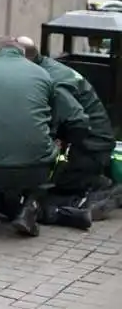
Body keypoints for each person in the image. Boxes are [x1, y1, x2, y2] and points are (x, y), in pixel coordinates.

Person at [0, 36, 89, 237]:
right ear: (23, 55)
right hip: (36, 169)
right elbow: (52, 126)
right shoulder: (44, 76)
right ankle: (30, 207)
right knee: (57, 153)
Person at [16, 36, 117, 223]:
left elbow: (78, 122)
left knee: (44, 183)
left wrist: (54, 149)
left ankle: (96, 187)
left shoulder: (53, 81)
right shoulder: (44, 68)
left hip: (91, 147)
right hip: (89, 141)